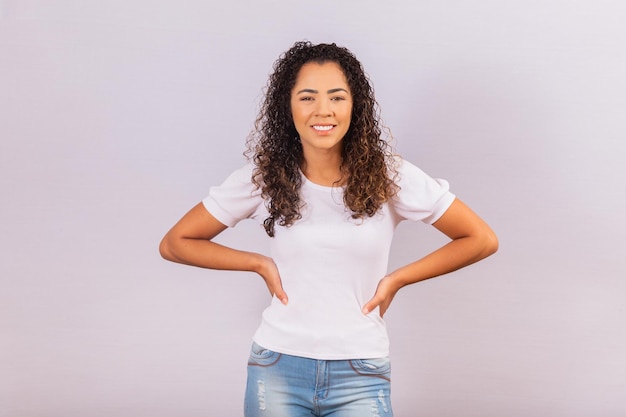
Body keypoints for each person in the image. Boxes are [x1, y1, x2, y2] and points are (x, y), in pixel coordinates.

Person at [159, 41, 498, 417]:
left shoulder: (389, 175)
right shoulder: (265, 179)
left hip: (361, 370)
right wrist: (258, 263)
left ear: (355, 105)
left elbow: (480, 239)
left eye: (337, 97)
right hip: (277, 367)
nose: (323, 110)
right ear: (287, 107)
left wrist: (397, 279)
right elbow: (176, 243)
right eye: (307, 97)